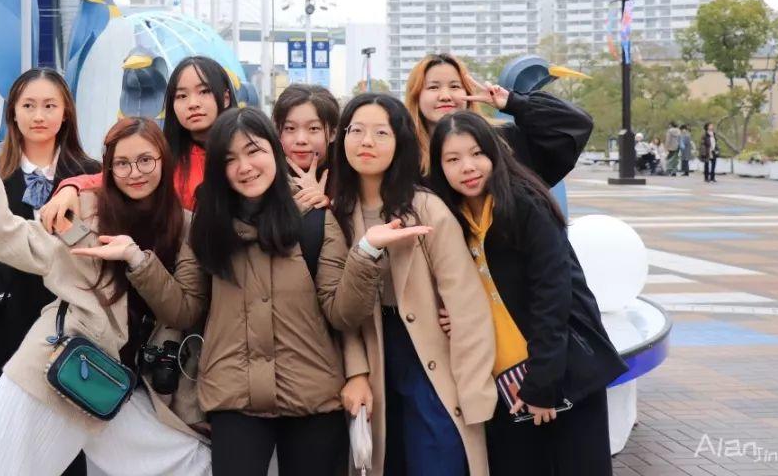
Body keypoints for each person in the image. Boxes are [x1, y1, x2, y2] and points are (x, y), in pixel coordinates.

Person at [0, 117, 211, 476]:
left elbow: (184, 310)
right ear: (108, 169)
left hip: (121, 386)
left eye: (145, 160)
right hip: (59, 368)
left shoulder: (185, 227)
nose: (135, 172)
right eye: (122, 163)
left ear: (163, 161)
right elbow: (11, 237)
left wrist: (136, 259)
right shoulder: (86, 211)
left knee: (191, 463)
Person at [79, 108, 348, 476]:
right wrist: (137, 260)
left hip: (313, 395)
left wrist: (367, 255)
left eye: (253, 151)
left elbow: (343, 312)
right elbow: (183, 310)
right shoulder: (207, 226)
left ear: (274, 150)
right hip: (234, 397)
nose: (245, 167)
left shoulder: (315, 219)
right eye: (229, 159)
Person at [427, 111, 627, 476]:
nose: (467, 167)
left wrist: (541, 384)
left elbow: (553, 298)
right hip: (503, 384)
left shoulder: (525, 204)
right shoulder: (453, 220)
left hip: (558, 373)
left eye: (476, 153)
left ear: (493, 153)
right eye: (452, 159)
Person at [316, 92, 497, 476]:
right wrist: (356, 371)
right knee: (387, 460)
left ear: (400, 141)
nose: (366, 142)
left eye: (381, 133)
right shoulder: (336, 213)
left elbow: (466, 306)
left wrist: (475, 392)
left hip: (430, 353)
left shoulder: (426, 208)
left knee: (439, 458)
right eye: (356, 131)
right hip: (376, 352)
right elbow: (339, 308)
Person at [0, 69, 101, 400]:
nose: (39, 116)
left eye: (50, 106)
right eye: (28, 105)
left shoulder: (91, 174)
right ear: (13, 114)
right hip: (10, 328)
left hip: (75, 328)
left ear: (66, 113)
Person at [42, 56, 238, 231]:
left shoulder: (245, 150)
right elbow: (112, 177)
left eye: (204, 91)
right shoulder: (165, 155)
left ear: (226, 97)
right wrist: (71, 188)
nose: (193, 103)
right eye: (182, 96)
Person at [404, 53, 593, 185]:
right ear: (416, 96)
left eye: (455, 86)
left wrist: (514, 102)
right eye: (433, 87)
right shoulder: (402, 154)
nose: (445, 96)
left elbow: (576, 124)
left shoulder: (504, 142)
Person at [272, 83, 339, 211]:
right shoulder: (267, 176)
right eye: (290, 128)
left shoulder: (350, 178)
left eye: (313, 128)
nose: (301, 140)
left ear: (332, 133)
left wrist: (325, 205)